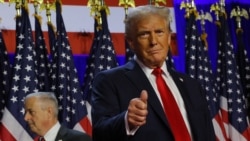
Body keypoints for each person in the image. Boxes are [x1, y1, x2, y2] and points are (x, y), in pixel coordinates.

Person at [91, 5, 216, 141]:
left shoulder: (192, 85)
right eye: (144, 34)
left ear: (169, 37)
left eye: (159, 32)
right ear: (131, 42)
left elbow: (207, 133)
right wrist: (127, 120)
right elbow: (100, 133)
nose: (153, 41)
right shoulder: (109, 81)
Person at [24, 92, 92, 141]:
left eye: (31, 112)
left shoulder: (79, 139)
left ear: (49, 112)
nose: (26, 118)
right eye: (26, 112)